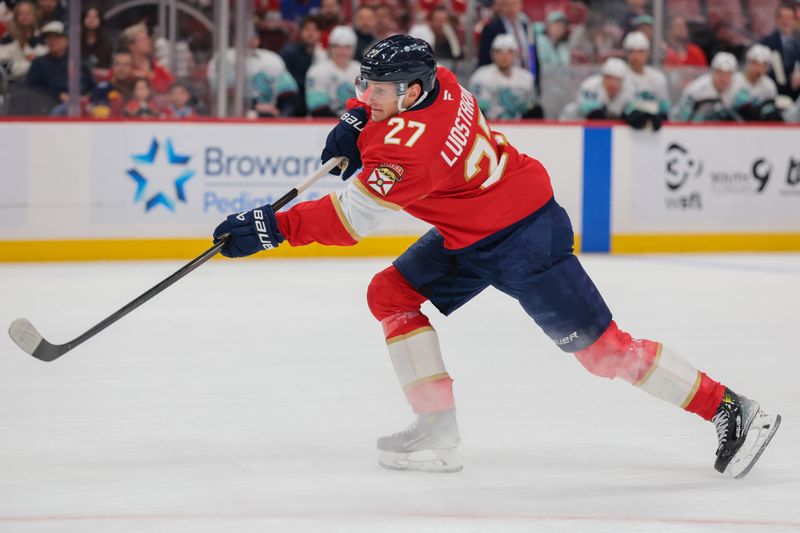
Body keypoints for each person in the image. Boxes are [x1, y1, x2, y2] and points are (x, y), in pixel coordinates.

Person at [211, 35, 781, 477]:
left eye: (377, 92)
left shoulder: (412, 151)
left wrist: (270, 226)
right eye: (366, 87)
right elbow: (379, 123)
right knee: (390, 293)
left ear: (411, 93)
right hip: (473, 229)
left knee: (604, 355)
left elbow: (347, 220)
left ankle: (731, 409)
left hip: (526, 239)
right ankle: (437, 429)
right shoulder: (443, 82)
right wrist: (355, 121)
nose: (366, 96)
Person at [207, 31, 298, 118]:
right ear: (236, 38)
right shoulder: (224, 58)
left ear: (258, 40)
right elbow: (222, 92)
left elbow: (289, 94)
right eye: (244, 35)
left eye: (253, 36)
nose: (250, 39)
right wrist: (254, 107)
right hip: (230, 116)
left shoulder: (272, 59)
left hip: (266, 118)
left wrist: (282, 117)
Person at [25, 20, 94, 115]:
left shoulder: (78, 62)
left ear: (67, 40)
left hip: (80, 104)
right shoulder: (39, 63)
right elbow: (31, 89)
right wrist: (58, 95)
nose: (52, 41)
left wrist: (86, 97)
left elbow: (91, 86)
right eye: (49, 38)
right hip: (50, 105)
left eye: (57, 37)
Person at [468, 34, 540, 119]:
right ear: (492, 54)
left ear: (515, 54)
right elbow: (475, 109)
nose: (504, 56)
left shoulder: (526, 77)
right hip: (490, 127)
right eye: (499, 51)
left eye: (509, 52)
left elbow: (532, 105)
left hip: (521, 128)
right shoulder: (481, 76)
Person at [671, 51, 744, 122]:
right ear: (712, 72)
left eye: (728, 73)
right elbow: (681, 118)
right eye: (719, 72)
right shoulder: (697, 90)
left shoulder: (739, 85)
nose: (723, 78)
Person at [305, 25, 360, 117]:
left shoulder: (360, 69)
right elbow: (317, 108)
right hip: (322, 125)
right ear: (330, 48)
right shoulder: (318, 71)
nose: (342, 51)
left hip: (354, 124)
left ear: (353, 49)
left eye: (347, 47)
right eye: (337, 47)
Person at [559, 57, 635, 120]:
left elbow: (632, 109)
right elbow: (584, 108)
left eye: (617, 79)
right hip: (577, 123)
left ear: (623, 81)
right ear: (603, 77)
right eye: (608, 78)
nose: (612, 83)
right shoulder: (590, 85)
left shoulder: (628, 89)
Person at [622, 31, 670, 129]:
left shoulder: (658, 78)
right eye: (632, 52)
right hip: (627, 128)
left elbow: (664, 106)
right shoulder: (620, 77)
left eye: (640, 52)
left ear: (647, 53)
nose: (636, 56)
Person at [280, 15, 326, 117]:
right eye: (307, 29)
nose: (311, 34)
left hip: (316, 105)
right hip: (294, 105)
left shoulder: (323, 56)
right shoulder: (288, 53)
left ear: (320, 34)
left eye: (315, 30)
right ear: (300, 32)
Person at [759, 3, 800, 100]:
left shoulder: (798, 41)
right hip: (774, 93)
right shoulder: (766, 42)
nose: (785, 21)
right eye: (782, 17)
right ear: (776, 20)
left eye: (789, 17)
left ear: (794, 20)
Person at [119, 23, 174, 94]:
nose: (147, 42)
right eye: (142, 40)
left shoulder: (157, 66)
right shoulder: (120, 66)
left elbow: (171, 86)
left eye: (147, 38)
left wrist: (150, 77)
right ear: (130, 46)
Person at [734, 43, 782, 121]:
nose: (759, 69)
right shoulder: (735, 80)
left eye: (763, 66)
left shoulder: (769, 85)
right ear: (748, 63)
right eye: (755, 64)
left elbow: (772, 108)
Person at [0, 0, 45, 81]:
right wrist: (33, 64)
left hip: (39, 84)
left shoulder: (42, 38)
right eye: (21, 13)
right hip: (13, 84)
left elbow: (49, 63)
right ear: (16, 17)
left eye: (28, 13)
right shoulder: (7, 39)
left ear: (35, 16)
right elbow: (3, 65)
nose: (25, 16)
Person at [478, 0, 532, 68]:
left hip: (526, 74)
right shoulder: (491, 28)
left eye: (514, 4)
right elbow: (484, 57)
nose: (510, 8)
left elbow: (532, 54)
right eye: (506, 4)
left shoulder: (526, 26)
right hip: (501, 75)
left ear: (521, 5)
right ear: (501, 6)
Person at [87, 50, 135, 118]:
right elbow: (94, 112)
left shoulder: (138, 87)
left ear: (132, 67)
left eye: (126, 65)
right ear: (112, 67)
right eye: (117, 64)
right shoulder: (102, 89)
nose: (121, 69)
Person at [80, 4, 112, 70]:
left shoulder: (106, 43)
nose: (91, 20)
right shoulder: (76, 42)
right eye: (88, 16)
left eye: (95, 17)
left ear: (100, 20)